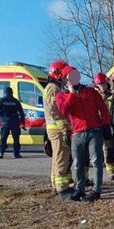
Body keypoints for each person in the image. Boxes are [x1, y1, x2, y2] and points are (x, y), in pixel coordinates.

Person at [56, 65, 110, 202]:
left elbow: (103, 109)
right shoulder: (62, 96)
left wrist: (105, 124)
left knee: (97, 160)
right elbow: (63, 110)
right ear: (64, 80)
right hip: (77, 133)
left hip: (95, 131)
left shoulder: (91, 92)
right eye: (69, 77)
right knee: (78, 162)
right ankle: (79, 189)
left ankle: (96, 190)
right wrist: (72, 94)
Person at [44, 61, 74, 197]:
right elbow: (55, 110)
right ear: (57, 74)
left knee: (58, 157)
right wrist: (65, 128)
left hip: (56, 130)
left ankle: (58, 185)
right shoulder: (53, 89)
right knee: (62, 157)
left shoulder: (53, 88)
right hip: (58, 130)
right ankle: (62, 188)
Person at [93, 72, 114, 180]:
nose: (102, 87)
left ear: (107, 84)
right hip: (96, 128)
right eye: (100, 85)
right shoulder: (93, 97)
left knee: (109, 150)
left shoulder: (113, 96)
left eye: (104, 84)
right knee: (95, 153)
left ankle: (112, 172)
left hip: (109, 126)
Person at [0, 86, 25, 159]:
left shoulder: (2, 100)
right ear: (12, 92)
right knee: (16, 139)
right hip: (15, 122)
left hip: (5, 122)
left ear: (5, 92)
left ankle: (1, 153)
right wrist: (22, 123)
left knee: (3, 138)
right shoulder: (15, 101)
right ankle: (16, 154)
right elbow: (21, 112)